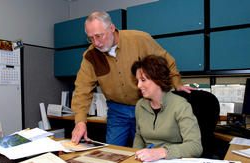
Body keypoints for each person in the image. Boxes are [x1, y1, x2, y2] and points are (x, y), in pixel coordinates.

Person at [71, 11, 195, 146]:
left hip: (146, 107)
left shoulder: (139, 39)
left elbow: (166, 61)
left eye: (99, 36)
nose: (96, 43)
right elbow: (82, 89)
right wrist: (80, 122)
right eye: (91, 38)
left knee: (147, 152)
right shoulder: (90, 56)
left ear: (111, 28)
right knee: (113, 152)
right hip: (117, 111)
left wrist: (177, 84)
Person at [132, 55, 202, 161]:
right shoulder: (140, 106)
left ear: (158, 79)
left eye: (143, 80)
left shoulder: (181, 106)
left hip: (174, 162)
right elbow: (139, 137)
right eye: (137, 81)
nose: (138, 85)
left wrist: (161, 152)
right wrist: (135, 156)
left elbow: (195, 147)